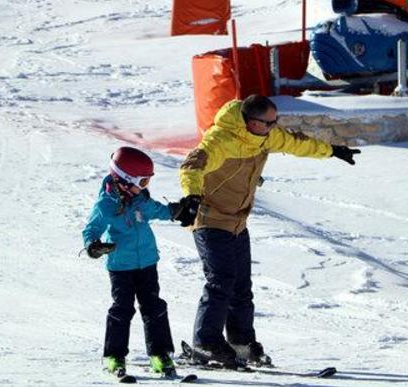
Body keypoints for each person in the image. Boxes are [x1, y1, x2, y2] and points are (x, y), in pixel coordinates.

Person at [173, 94, 361, 367]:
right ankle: (205, 343)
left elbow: (297, 143)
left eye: (276, 122)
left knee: (241, 286)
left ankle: (241, 342)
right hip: (210, 219)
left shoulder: (265, 136)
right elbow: (192, 166)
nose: (274, 128)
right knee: (220, 281)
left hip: (237, 221)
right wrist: (191, 197)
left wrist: (332, 150)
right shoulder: (220, 140)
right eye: (268, 123)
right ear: (251, 122)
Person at [82, 146, 183, 378]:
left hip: (147, 262)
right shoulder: (105, 205)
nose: (145, 187)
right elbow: (92, 228)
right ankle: (114, 356)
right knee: (122, 309)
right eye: (143, 182)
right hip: (121, 266)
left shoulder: (139, 200)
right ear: (125, 181)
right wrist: (93, 246)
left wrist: (177, 211)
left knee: (154, 307)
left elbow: (158, 210)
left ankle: (160, 354)